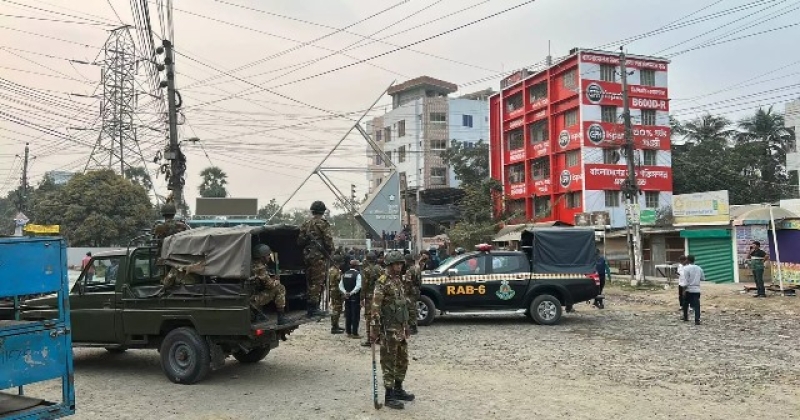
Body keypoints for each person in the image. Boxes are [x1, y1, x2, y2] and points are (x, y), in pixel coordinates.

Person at [370, 250, 414, 410]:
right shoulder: (383, 282)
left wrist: (407, 325)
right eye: (396, 264)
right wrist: (374, 330)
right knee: (389, 361)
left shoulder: (398, 281)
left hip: (400, 328)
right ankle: (389, 396)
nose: (399, 266)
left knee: (402, 360)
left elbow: (403, 304)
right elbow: (375, 308)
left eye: (401, 263)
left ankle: (398, 389)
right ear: (389, 265)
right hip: (389, 330)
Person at [297, 200, 334, 317]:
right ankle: (314, 308)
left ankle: (309, 307)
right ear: (323, 211)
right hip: (318, 257)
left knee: (309, 281)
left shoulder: (305, 224)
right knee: (317, 282)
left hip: (307, 256)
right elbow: (328, 241)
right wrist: (330, 251)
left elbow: (300, 241)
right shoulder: (323, 223)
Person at [250, 244, 287, 325]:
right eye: (268, 255)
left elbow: (263, 281)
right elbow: (270, 285)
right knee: (280, 288)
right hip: (252, 300)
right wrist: (276, 281)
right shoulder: (260, 268)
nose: (269, 257)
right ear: (262, 257)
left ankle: (258, 315)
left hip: (251, 297)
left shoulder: (252, 264)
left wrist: (272, 279)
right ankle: (281, 318)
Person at [360, 252, 382, 347]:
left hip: (369, 297)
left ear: (367, 259)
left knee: (369, 317)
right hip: (379, 296)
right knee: (378, 316)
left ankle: (370, 340)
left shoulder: (366, 270)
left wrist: (361, 298)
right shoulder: (380, 268)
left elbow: (364, 286)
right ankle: (379, 338)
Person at [339, 259, 363, 338]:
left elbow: (340, 285)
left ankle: (348, 332)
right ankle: (355, 333)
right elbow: (358, 286)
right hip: (355, 297)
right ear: (356, 266)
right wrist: (351, 293)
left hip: (347, 297)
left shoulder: (345, 274)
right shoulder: (358, 274)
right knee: (355, 315)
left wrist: (345, 292)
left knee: (348, 314)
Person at [680, 255, 704, 325]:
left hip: (688, 289)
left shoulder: (686, 268)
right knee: (697, 305)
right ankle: (697, 320)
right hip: (697, 289)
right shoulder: (699, 268)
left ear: (687, 260)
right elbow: (702, 278)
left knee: (685, 303)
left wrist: (683, 290)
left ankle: (685, 317)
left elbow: (685, 280)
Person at [403, 253, 422, 334]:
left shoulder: (409, 271)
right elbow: (420, 280)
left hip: (411, 292)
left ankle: (413, 327)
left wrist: (405, 293)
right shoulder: (417, 268)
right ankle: (414, 326)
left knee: (411, 310)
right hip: (416, 290)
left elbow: (407, 283)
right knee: (413, 307)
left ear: (408, 261)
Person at [328, 255, 345, 334]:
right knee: (336, 308)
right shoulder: (336, 271)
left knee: (337, 308)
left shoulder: (331, 269)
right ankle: (334, 327)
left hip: (333, 290)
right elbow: (339, 281)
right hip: (336, 290)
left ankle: (336, 325)